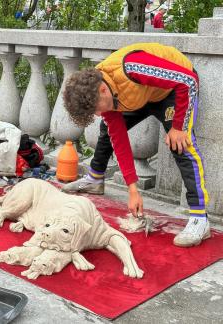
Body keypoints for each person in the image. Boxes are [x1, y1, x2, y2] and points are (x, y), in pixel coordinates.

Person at [62, 43, 209, 248]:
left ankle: (200, 218)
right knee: (108, 128)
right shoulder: (101, 89)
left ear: (103, 90)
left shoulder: (132, 67)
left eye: (96, 109)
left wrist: (178, 127)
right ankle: (95, 178)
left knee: (181, 144)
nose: (97, 114)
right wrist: (133, 189)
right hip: (141, 94)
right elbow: (120, 140)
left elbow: (187, 80)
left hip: (173, 89)